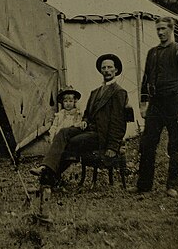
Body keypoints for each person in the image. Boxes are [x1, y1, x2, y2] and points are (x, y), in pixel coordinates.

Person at [30, 54, 128, 187]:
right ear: (100, 70)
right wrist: (85, 121)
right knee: (63, 132)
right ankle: (45, 168)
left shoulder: (119, 92)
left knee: (74, 142)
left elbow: (118, 122)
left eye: (110, 67)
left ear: (116, 70)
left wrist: (112, 146)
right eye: (103, 67)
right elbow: (87, 113)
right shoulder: (95, 92)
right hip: (89, 129)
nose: (106, 70)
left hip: (102, 135)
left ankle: (50, 176)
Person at [129, 17, 178, 197]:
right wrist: (143, 104)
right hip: (155, 105)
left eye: (164, 29)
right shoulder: (152, 52)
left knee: (174, 146)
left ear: (171, 30)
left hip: (174, 103)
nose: (160, 32)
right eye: (158, 29)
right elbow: (145, 80)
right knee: (147, 144)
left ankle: (172, 185)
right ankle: (144, 185)